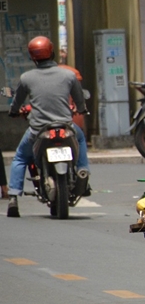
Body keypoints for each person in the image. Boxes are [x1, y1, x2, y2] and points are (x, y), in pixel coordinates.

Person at [7, 36, 90, 218]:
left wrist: (13, 112)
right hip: (66, 127)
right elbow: (79, 101)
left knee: (20, 157)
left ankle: (13, 197)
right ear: (52, 51)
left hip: (38, 131)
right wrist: (82, 109)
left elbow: (17, 102)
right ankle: (83, 173)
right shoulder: (68, 75)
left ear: (32, 57)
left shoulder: (26, 77)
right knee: (81, 137)